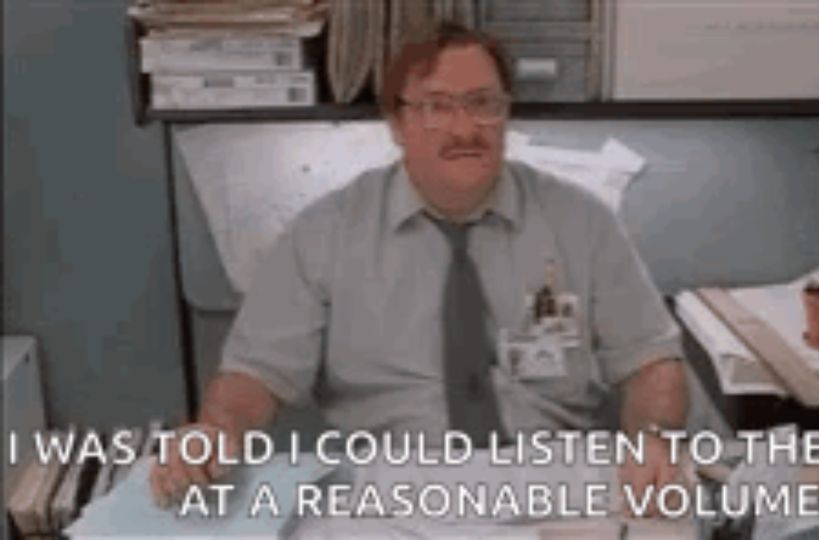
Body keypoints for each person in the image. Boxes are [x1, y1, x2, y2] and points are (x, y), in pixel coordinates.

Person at [150, 21, 687, 512]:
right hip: (386, 488)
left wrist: (654, 440)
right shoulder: (324, 232)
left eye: (483, 103)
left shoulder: (581, 221)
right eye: (436, 106)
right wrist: (216, 430)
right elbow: (255, 375)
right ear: (398, 124)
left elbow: (651, 362)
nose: (465, 127)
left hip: (556, 476)